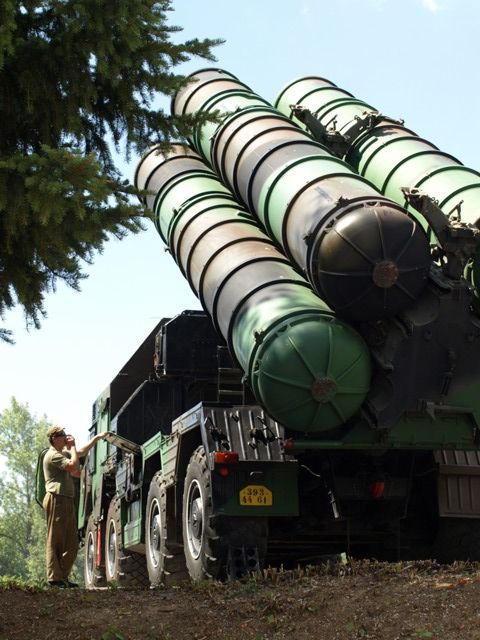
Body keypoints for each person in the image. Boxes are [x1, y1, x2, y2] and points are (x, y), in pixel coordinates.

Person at [43, 425, 107, 588]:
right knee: (56, 539)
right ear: (54, 439)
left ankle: (62, 576)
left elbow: (81, 453)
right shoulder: (53, 455)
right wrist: (72, 446)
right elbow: (74, 467)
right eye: (62, 434)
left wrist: (96, 438)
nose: (65, 436)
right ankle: (54, 578)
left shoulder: (62, 453)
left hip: (66, 499)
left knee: (72, 542)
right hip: (57, 498)